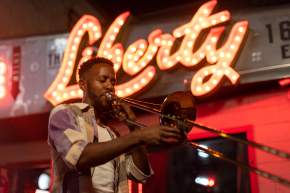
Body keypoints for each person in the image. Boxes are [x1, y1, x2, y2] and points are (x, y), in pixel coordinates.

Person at [48, 57, 185, 193]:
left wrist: (133, 126)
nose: (109, 87)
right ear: (83, 85)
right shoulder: (65, 113)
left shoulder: (112, 133)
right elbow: (80, 157)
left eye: (112, 82)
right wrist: (139, 136)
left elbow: (140, 174)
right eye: (103, 80)